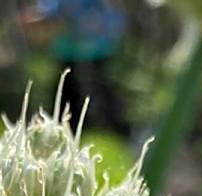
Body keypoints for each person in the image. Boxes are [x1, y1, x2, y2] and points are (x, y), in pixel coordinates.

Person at [20, 0, 130, 135]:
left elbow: (112, 19)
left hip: (96, 54)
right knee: (65, 96)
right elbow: (46, 12)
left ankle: (112, 130)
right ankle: (67, 130)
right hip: (69, 55)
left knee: (98, 95)